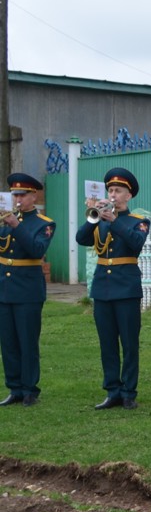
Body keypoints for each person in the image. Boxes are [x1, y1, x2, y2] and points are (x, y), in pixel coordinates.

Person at [75, 167, 150, 411]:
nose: (113, 194)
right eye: (110, 190)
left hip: (126, 288)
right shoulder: (100, 219)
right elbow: (81, 238)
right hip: (103, 289)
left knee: (129, 343)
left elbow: (136, 243)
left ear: (129, 196)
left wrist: (114, 220)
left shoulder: (138, 221)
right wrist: (93, 214)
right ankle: (112, 391)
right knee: (107, 343)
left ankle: (129, 392)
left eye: (118, 190)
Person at [0, 174, 55, 407]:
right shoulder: (4, 220)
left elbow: (36, 250)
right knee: (8, 342)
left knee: (27, 340)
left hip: (28, 290)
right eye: (15, 195)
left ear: (34, 196)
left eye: (23, 195)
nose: (18, 199)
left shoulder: (44, 223)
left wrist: (15, 224)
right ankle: (14, 388)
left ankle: (30, 388)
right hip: (4, 288)